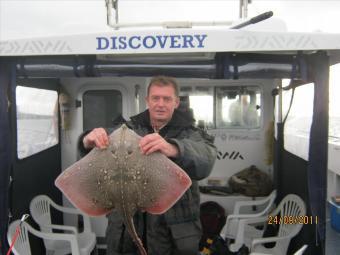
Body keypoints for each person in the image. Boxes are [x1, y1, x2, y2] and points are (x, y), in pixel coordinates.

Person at [79, 76, 217, 255]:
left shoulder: (191, 133)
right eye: (155, 98)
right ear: (147, 101)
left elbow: (206, 159)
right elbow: (99, 141)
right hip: (126, 233)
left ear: (176, 102)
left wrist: (174, 148)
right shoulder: (127, 129)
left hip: (172, 233)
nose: (160, 104)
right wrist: (87, 139)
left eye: (166, 99)